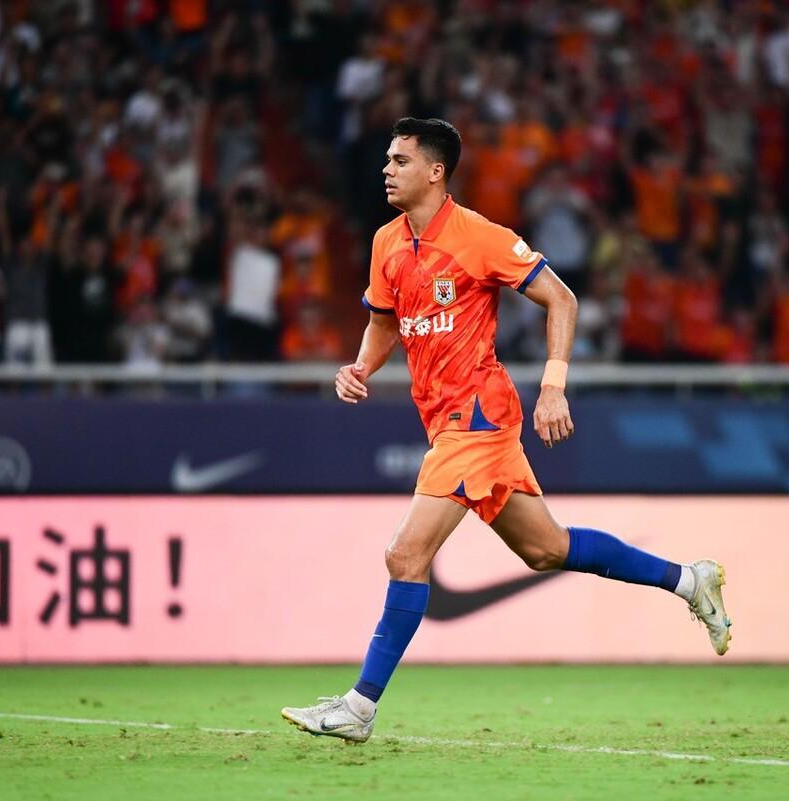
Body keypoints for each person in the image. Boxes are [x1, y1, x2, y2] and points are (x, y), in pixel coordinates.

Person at [281, 118, 732, 743]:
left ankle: (359, 708)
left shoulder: (480, 237)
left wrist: (553, 386)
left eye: (400, 160)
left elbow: (562, 299)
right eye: (387, 159)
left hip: (478, 418)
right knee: (546, 549)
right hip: (446, 423)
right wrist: (360, 367)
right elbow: (385, 322)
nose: (386, 169)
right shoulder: (387, 242)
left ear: (435, 171)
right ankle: (689, 580)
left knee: (405, 555)